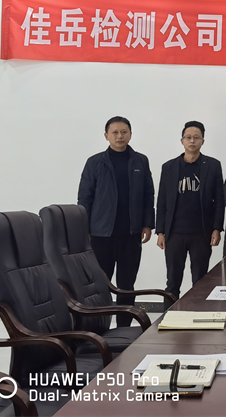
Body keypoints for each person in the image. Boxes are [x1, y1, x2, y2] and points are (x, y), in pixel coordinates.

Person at [78, 116, 154, 326]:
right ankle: (99, 327)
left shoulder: (140, 161)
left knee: (126, 285)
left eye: (124, 132)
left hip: (131, 233)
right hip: (101, 234)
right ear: (106, 136)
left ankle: (124, 329)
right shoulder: (95, 162)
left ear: (130, 134)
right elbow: (85, 198)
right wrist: (85, 229)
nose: (120, 136)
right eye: (115, 132)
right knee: (100, 285)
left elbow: (148, 194)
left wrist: (148, 223)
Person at [155, 121, 224, 308]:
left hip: (202, 232)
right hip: (174, 233)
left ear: (202, 141)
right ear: (182, 141)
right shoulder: (169, 167)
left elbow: (219, 200)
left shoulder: (213, 166)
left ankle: (199, 318)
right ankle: (168, 319)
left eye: (196, 137)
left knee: (200, 282)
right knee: (172, 282)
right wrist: (160, 231)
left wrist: (217, 228)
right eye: (188, 137)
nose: (192, 141)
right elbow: (162, 201)